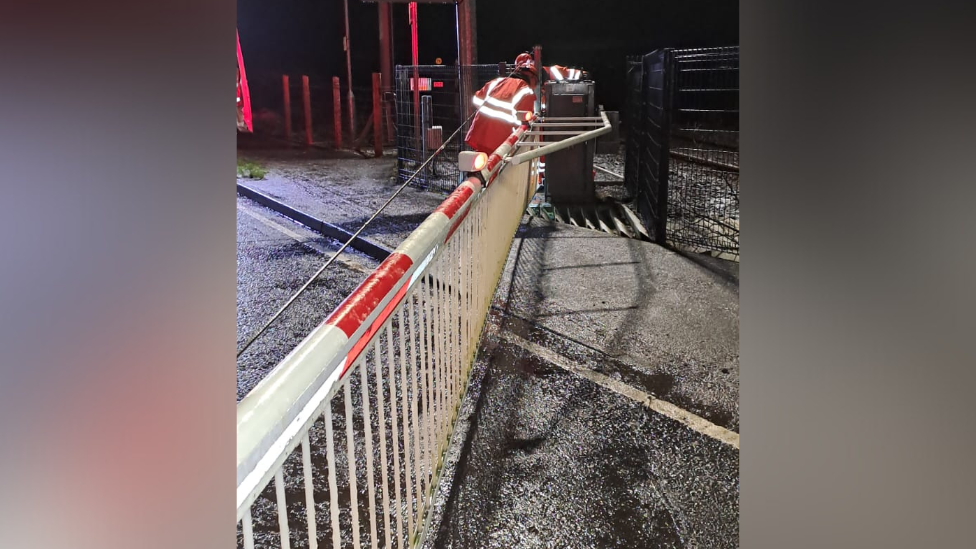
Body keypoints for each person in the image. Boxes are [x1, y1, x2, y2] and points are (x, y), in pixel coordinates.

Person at [464, 56, 538, 155]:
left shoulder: (497, 81)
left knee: (482, 166)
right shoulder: (526, 90)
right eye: (536, 82)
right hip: (502, 138)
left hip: (480, 132)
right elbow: (523, 121)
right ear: (532, 78)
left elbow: (476, 99)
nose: (535, 86)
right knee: (496, 168)